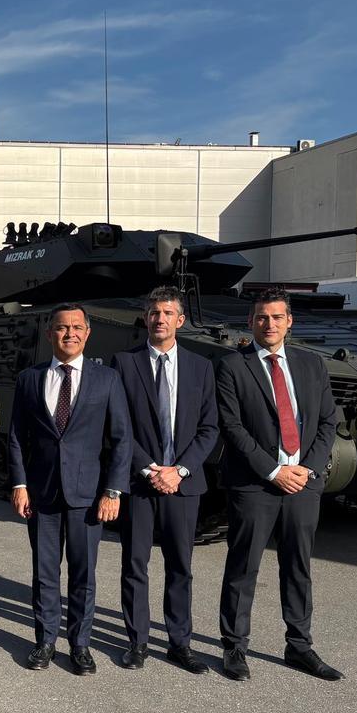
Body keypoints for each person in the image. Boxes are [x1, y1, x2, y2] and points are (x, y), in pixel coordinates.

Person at [216, 287, 342, 682]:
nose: (268, 324)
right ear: (251, 321)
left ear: (290, 321)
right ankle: (235, 646)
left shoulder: (311, 365)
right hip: (256, 484)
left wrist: (309, 469)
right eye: (261, 317)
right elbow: (232, 427)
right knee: (243, 566)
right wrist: (273, 471)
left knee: (298, 566)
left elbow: (327, 422)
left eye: (276, 317)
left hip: (302, 484)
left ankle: (299, 645)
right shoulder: (232, 366)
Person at [9, 303, 131, 675]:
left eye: (77, 327)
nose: (70, 333)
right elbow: (16, 438)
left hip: (88, 495)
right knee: (45, 573)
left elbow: (122, 439)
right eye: (62, 327)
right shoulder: (29, 379)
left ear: (88, 332)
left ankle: (80, 644)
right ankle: (45, 641)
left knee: (83, 574)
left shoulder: (106, 379)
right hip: (42, 494)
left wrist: (113, 491)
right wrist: (19, 483)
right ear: (50, 334)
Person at [110, 287, 218, 673]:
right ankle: (137, 642)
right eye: (153, 312)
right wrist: (150, 469)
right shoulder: (123, 363)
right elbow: (118, 424)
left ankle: (179, 643)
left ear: (180, 320)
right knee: (135, 564)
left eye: (167, 312)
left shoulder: (200, 367)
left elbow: (209, 428)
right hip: (141, 483)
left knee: (180, 566)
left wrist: (179, 471)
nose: (160, 318)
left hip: (183, 484)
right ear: (145, 317)